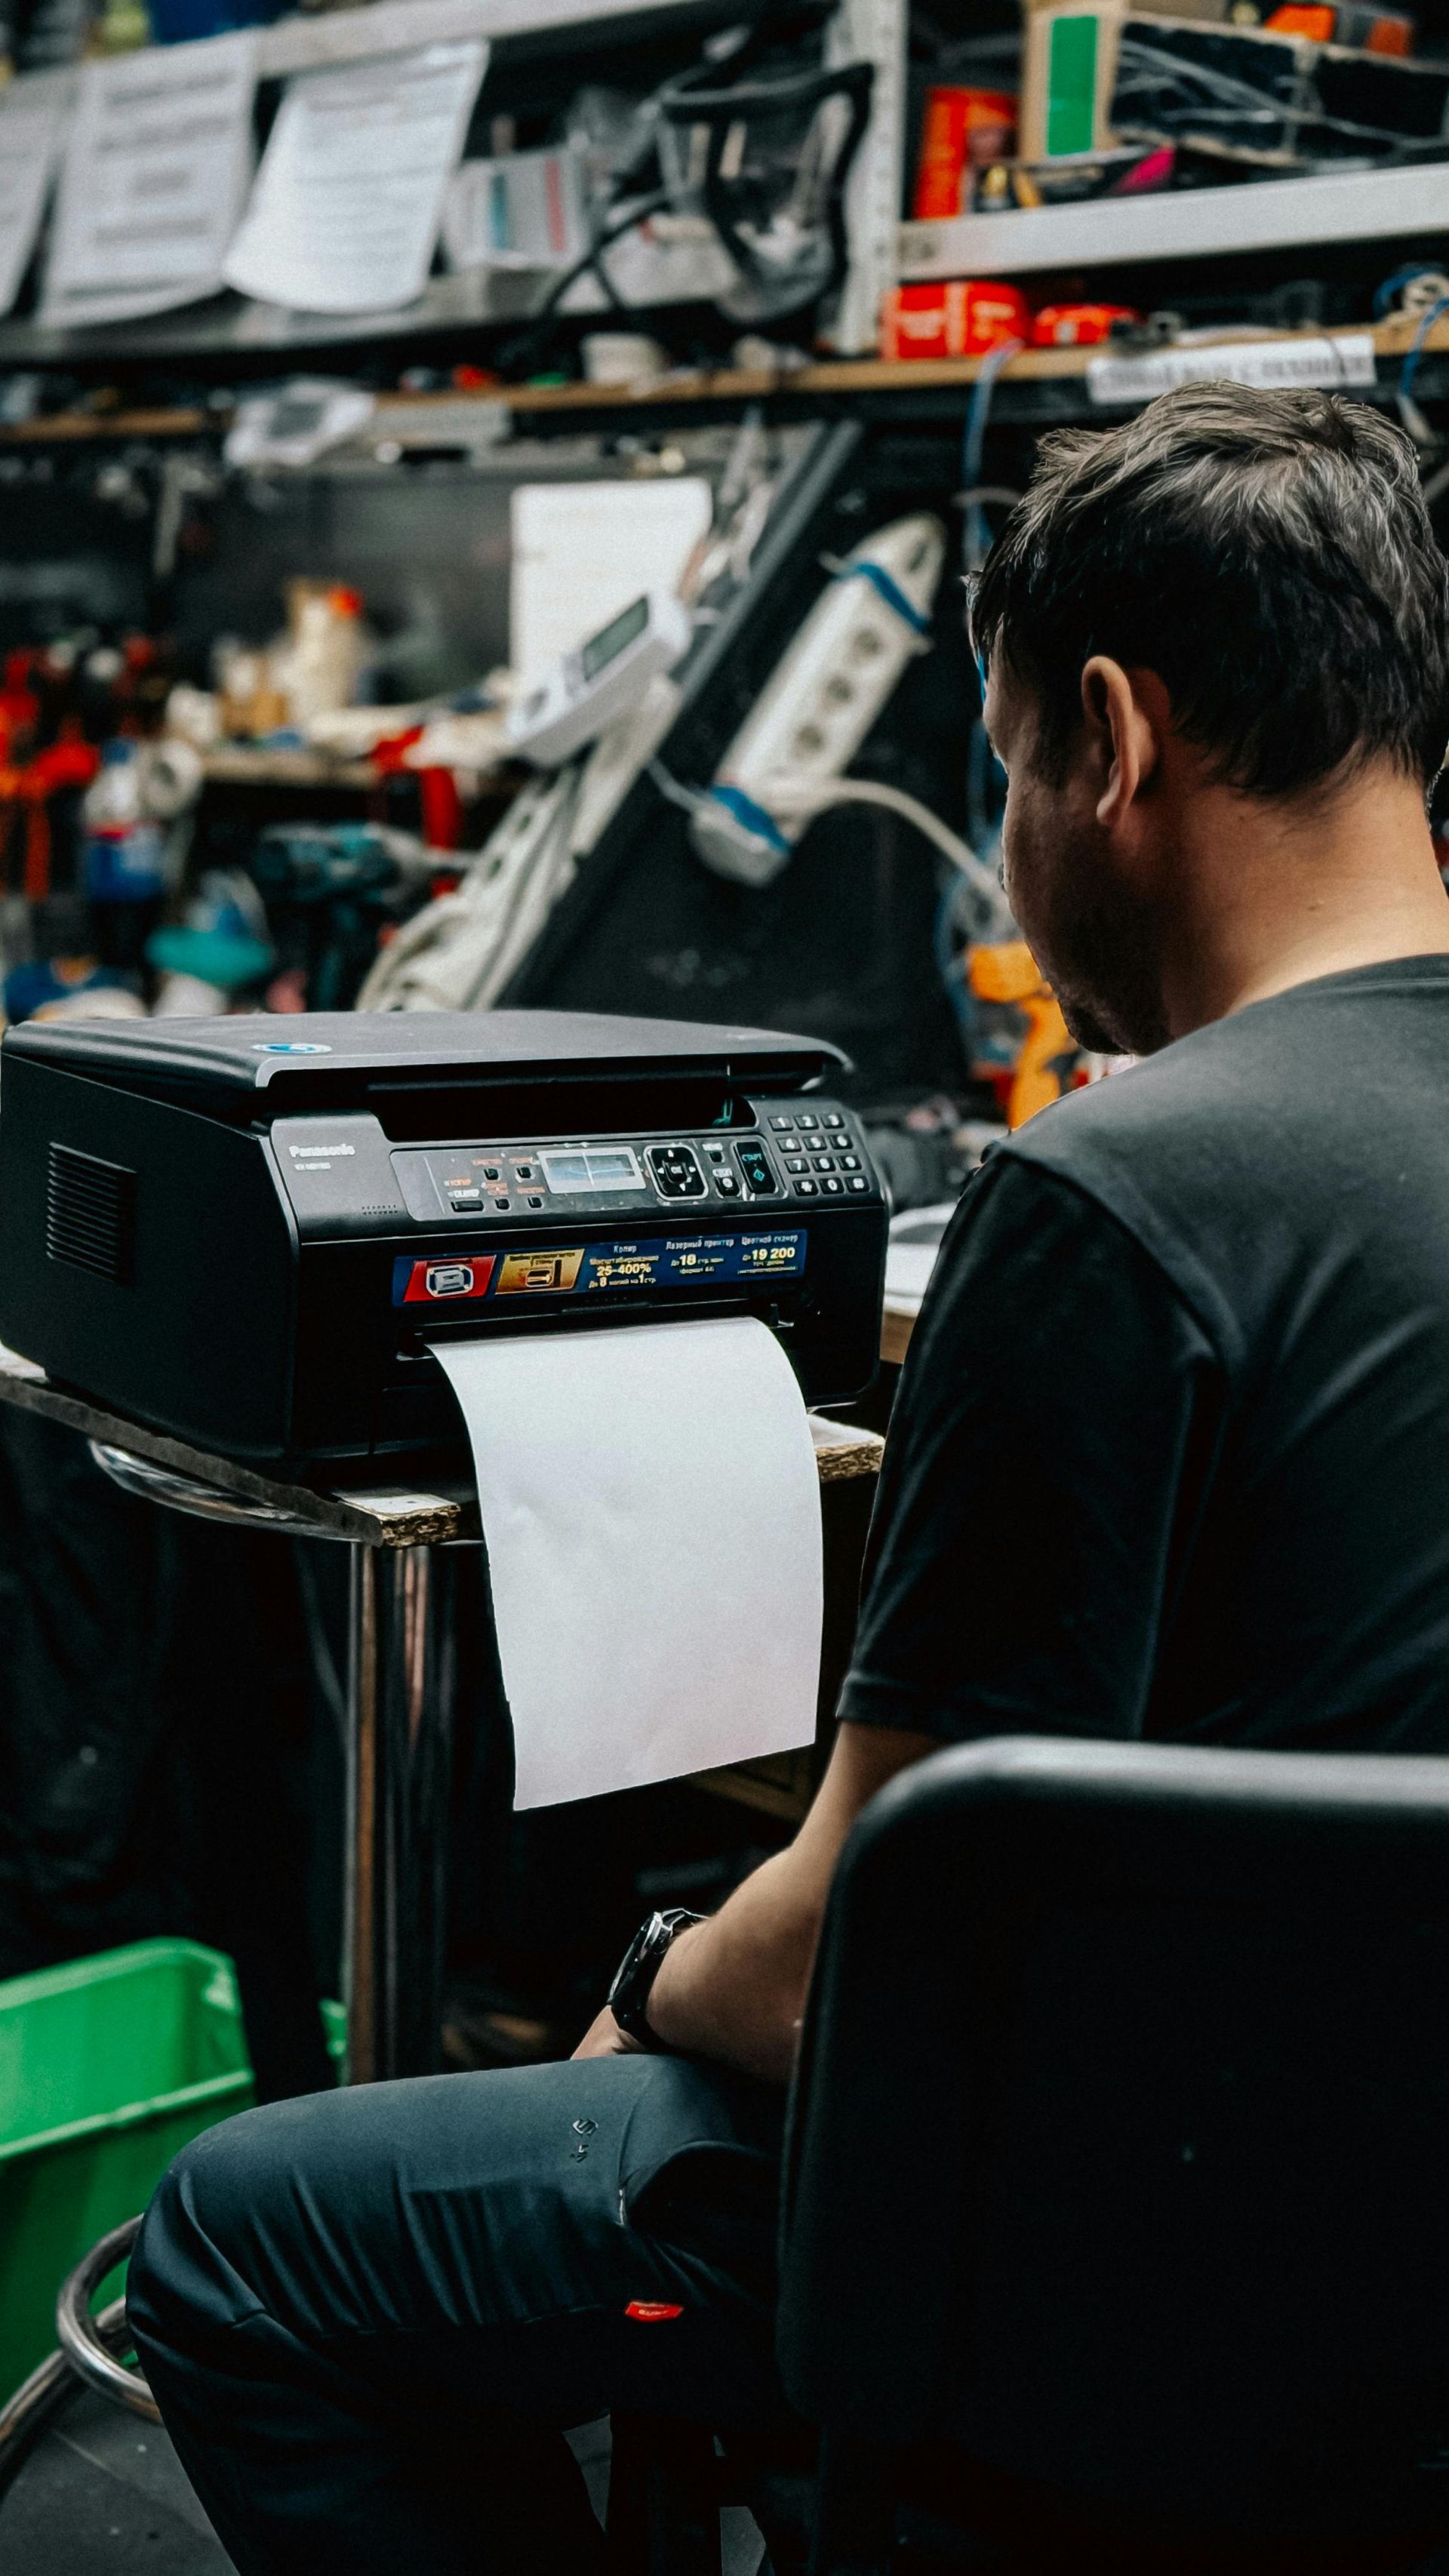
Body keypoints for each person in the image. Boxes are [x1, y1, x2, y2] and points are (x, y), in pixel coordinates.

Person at [128, 381, 1449, 2573]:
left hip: (1096, 2268)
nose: (1016, 839)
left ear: (1107, 739)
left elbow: (857, 1956)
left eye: (1007, 764)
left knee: (253, 2246)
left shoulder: (1119, 1198)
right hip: (1402, 2271)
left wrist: (648, 1970)